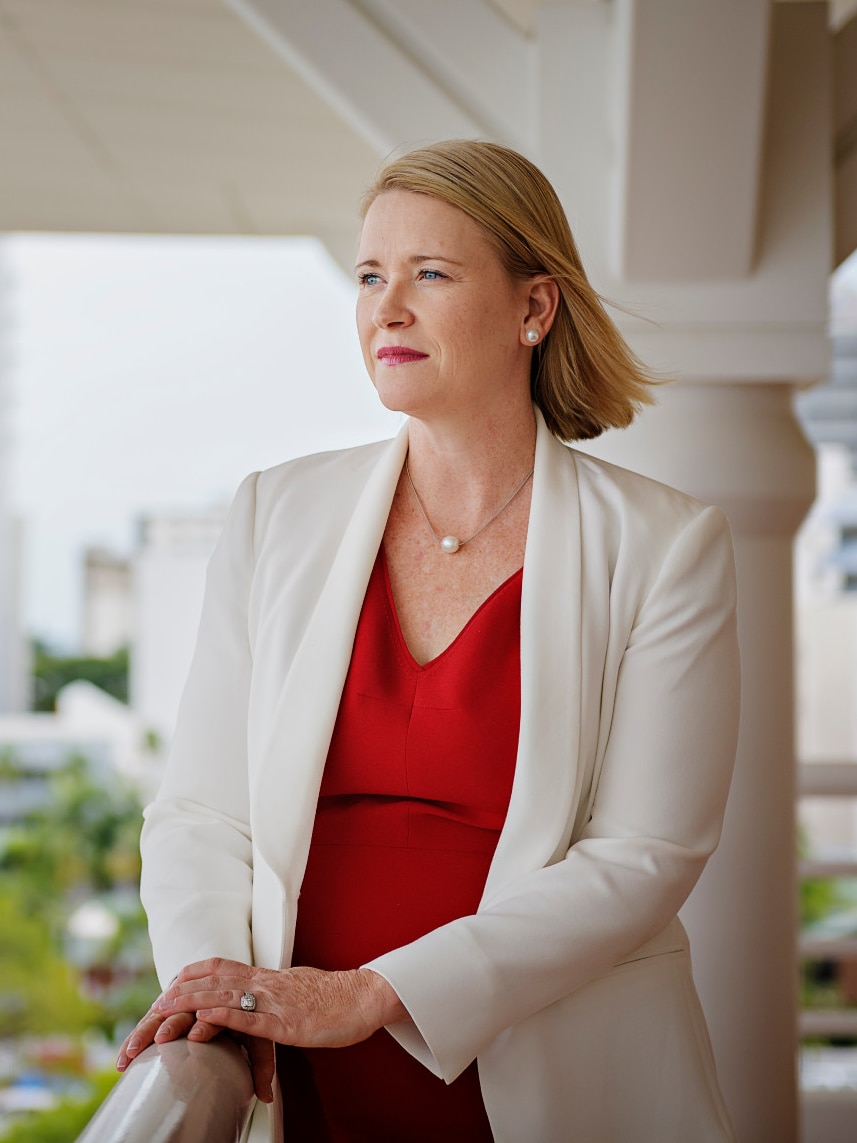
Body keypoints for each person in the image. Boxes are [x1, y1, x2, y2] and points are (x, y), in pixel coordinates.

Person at [117, 140, 740, 1143]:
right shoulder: (275, 511)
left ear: (532, 310)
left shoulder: (666, 544)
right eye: (369, 275)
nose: (384, 308)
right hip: (301, 1069)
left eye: (430, 274)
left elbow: (643, 854)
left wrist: (375, 993)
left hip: (553, 1061)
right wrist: (219, 995)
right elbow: (198, 809)